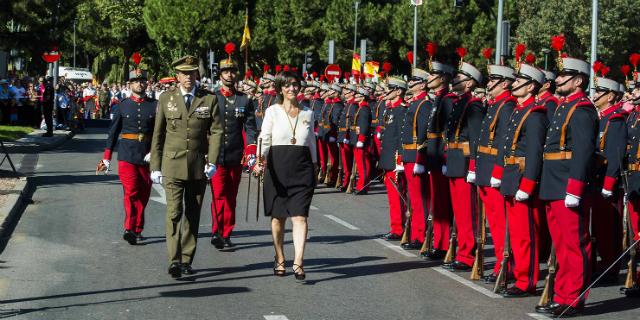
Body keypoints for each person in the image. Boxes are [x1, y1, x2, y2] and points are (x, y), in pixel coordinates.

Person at [150, 55, 223, 279]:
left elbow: (217, 131)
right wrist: (155, 165)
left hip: (198, 166)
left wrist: (212, 161)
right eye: (184, 74)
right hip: (172, 165)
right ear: (178, 77)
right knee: (174, 213)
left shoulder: (209, 100)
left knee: (193, 214)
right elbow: (158, 134)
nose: (188, 78)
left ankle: (186, 259)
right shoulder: (166, 98)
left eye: (192, 73)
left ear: (196, 75)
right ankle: (174, 260)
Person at [536, 51, 598, 316]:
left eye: (565, 76)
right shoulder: (565, 106)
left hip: (566, 185)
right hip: (553, 182)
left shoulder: (582, 110)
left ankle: (573, 298)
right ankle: (562, 293)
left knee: (574, 244)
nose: (558, 79)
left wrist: (575, 187)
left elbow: (583, 152)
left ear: (579, 81)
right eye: (559, 75)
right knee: (560, 244)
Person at [255, 71, 317, 281]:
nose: (292, 89)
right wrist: (258, 160)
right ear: (281, 88)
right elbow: (264, 138)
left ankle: (298, 261)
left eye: (295, 85)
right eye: (287, 85)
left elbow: (311, 142)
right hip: (277, 167)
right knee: (278, 218)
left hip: (302, 168)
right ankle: (280, 256)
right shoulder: (272, 111)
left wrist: (315, 165)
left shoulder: (308, 112)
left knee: (300, 216)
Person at [493, 63, 548, 297]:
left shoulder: (535, 114)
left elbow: (534, 152)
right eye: (514, 81)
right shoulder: (519, 110)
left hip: (522, 179)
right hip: (511, 175)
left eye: (518, 81)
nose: (513, 84)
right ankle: (517, 273)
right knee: (515, 232)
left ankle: (527, 281)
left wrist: (527, 184)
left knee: (526, 234)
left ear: (531, 86)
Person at [98, 68, 157, 245]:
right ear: (130, 84)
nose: (140, 83)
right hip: (127, 155)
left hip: (147, 155)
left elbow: (159, 132)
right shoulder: (122, 105)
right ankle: (129, 228)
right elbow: (113, 133)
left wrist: (155, 151)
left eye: (142, 81)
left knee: (144, 193)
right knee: (131, 191)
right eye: (136, 81)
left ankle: (138, 228)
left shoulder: (155, 105)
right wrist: (106, 157)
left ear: (147, 83)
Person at [209, 46, 258, 250]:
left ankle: (226, 232)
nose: (229, 74)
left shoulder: (244, 100)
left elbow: (250, 128)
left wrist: (251, 152)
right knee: (217, 194)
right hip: (216, 155)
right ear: (220, 75)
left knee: (230, 196)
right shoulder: (211, 97)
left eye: (232, 71)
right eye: (225, 71)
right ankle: (217, 230)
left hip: (236, 155)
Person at [444, 52, 486, 271]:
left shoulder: (474, 105)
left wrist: (473, 167)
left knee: (468, 213)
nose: (454, 80)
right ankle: (462, 250)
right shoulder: (461, 102)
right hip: (454, 160)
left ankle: (468, 255)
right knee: (459, 213)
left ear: (469, 82)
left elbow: (476, 139)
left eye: (459, 77)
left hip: (464, 163)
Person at [474, 63, 516, 282]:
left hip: (493, 171)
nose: (489, 83)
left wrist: (497, 172)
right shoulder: (496, 104)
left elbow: (503, 143)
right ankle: (502, 262)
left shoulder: (507, 106)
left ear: (505, 83)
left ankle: (505, 264)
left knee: (500, 224)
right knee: (494, 221)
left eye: (493, 80)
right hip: (485, 168)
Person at [585, 72, 626, 284]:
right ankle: (600, 264)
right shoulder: (601, 118)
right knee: (597, 227)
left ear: (610, 96)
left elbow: (614, 154)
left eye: (600, 92)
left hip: (607, 183)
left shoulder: (616, 119)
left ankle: (610, 267)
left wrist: (609, 184)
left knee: (608, 228)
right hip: (595, 179)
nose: (595, 95)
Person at [421, 58, 456, 260]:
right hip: (434, 157)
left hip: (441, 157)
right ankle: (439, 242)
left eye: (433, 75)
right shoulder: (438, 98)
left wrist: (444, 157)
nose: (429, 78)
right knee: (438, 204)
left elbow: (449, 133)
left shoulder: (447, 99)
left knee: (444, 205)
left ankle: (444, 244)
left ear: (442, 78)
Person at [398, 68, 431, 250]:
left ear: (422, 85)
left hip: (416, 157)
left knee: (419, 200)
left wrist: (420, 160)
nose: (410, 84)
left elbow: (424, 136)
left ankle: (421, 234)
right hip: (409, 156)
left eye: (414, 81)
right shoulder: (414, 103)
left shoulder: (424, 105)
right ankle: (416, 233)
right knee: (414, 199)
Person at [379, 77, 408, 241]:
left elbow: (402, 138)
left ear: (398, 91)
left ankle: (399, 228)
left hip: (396, 159)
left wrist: (400, 160)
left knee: (398, 196)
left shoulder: (402, 111)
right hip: (388, 158)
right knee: (392, 197)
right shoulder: (390, 110)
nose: (385, 91)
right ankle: (395, 226)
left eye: (389, 88)